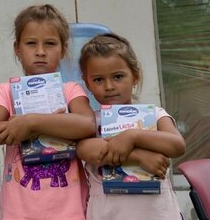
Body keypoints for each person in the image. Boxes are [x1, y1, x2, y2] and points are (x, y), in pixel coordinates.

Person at [0, 4, 96, 220]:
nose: (40, 51)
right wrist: (55, 125)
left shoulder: (70, 90)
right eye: (31, 43)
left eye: (50, 44)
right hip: (19, 209)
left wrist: (32, 123)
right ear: (17, 48)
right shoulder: (6, 91)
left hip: (70, 209)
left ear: (62, 49)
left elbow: (87, 125)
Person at [76, 33, 186, 220]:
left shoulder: (156, 115)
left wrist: (133, 136)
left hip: (157, 213)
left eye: (118, 76)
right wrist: (139, 156)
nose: (109, 86)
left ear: (135, 76)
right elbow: (84, 149)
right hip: (108, 214)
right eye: (98, 80)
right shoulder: (90, 122)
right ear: (87, 82)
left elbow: (177, 145)